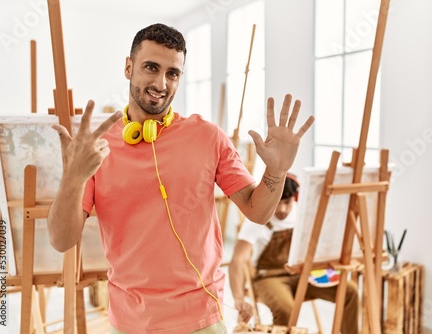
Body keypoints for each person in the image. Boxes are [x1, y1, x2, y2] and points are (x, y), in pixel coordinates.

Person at [46, 23, 314, 334]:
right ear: (128, 67)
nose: (161, 83)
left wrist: (276, 171)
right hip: (130, 320)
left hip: (202, 316)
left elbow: (258, 212)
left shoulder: (208, 136)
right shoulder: (98, 146)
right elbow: (61, 240)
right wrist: (73, 178)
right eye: (151, 67)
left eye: (172, 73)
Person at [229, 174, 359, 334]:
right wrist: (238, 297)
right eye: (278, 203)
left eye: (287, 202)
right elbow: (238, 260)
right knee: (286, 310)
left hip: (303, 273)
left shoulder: (303, 213)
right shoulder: (257, 218)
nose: (282, 209)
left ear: (295, 198)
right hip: (270, 277)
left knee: (349, 291)